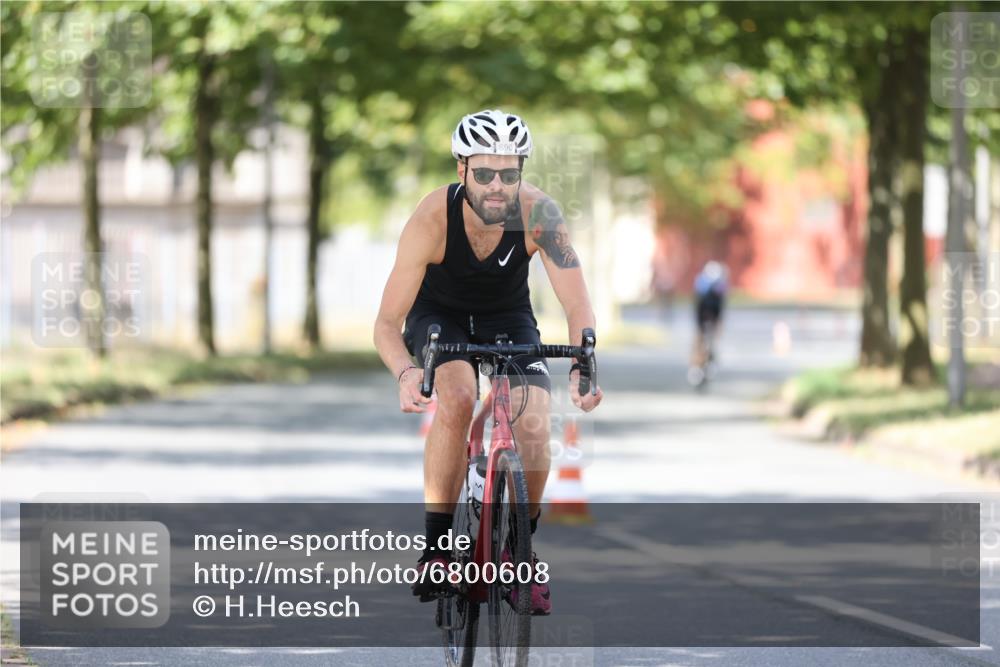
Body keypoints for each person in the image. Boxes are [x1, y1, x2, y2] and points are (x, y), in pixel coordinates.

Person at [373, 109, 603, 615]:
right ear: (462, 171)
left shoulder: (540, 214)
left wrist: (584, 363)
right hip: (440, 318)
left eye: (509, 173)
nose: (496, 186)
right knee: (456, 396)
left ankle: (518, 548)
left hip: (507, 316)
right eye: (484, 173)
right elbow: (387, 324)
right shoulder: (432, 220)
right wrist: (407, 372)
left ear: (521, 171)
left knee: (535, 417)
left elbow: (577, 303)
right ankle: (437, 547)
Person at [689, 261, 727, 382]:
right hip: (702, 314)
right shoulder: (702, 287)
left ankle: (710, 360)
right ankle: (696, 366)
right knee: (700, 340)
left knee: (711, 340)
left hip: (712, 313)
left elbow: (720, 308)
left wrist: (718, 323)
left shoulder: (718, 289)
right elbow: (698, 308)